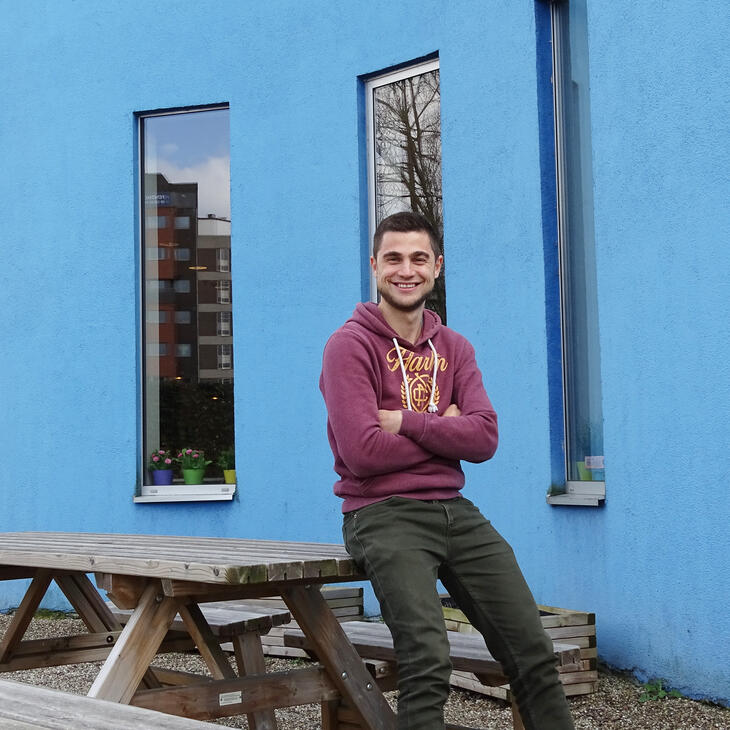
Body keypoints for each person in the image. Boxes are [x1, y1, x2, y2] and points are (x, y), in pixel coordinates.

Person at [319, 211, 575, 730]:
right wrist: (442, 429)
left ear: (437, 267)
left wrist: (406, 422)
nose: (405, 269)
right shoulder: (349, 345)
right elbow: (364, 452)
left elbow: (484, 438)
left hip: (456, 511)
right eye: (393, 258)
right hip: (382, 513)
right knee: (428, 660)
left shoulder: (454, 349)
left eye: (418, 258)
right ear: (375, 267)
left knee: (533, 652)